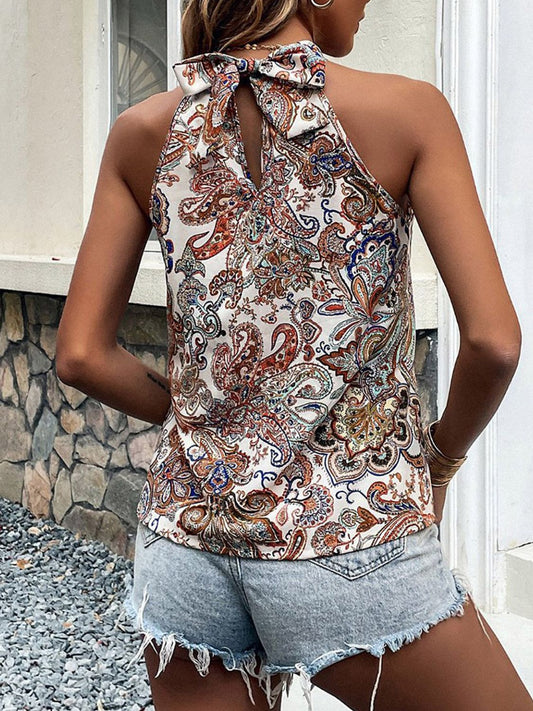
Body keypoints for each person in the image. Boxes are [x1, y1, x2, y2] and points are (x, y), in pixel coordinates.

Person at [56, 1, 533, 710]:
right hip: (348, 538)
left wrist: (216, 420)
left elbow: (80, 355)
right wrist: (440, 462)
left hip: (184, 551)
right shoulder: (409, 113)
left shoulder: (140, 132)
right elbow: (494, 343)